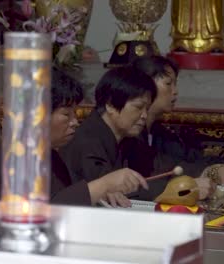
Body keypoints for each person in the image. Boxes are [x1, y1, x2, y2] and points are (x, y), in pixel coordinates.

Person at [129, 56, 224, 190]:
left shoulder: (160, 132)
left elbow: (190, 160)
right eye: (168, 84)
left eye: (175, 84)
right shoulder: (130, 133)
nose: (175, 91)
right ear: (145, 84)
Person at [59, 66, 158, 207]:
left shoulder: (128, 139)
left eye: (147, 109)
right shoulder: (86, 142)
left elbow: (154, 166)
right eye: (138, 107)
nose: (144, 116)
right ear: (110, 105)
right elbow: (113, 190)